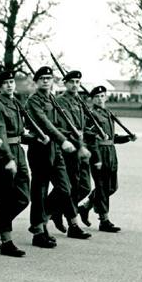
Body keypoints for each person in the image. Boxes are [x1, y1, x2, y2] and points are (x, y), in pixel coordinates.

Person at [25, 66, 91, 248]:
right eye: (42, 78)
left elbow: (58, 125)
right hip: (40, 149)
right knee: (39, 191)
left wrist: (72, 140)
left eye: (49, 78)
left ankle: (44, 219)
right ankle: (38, 231)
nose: (46, 81)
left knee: (66, 187)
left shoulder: (52, 99)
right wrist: (63, 140)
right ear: (36, 81)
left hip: (55, 149)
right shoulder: (33, 101)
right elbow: (45, 124)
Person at [78, 86, 137, 232]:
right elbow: (90, 137)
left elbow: (112, 138)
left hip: (111, 152)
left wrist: (127, 138)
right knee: (103, 186)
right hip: (99, 152)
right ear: (92, 99)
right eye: (97, 96)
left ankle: (85, 207)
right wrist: (96, 156)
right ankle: (104, 220)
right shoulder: (91, 115)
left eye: (102, 96)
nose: (100, 98)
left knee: (111, 187)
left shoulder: (108, 114)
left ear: (106, 97)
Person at [0, 70, 31, 257]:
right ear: (0, 86)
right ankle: (6, 241)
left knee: (23, 197)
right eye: (5, 83)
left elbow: (18, 132)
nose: (9, 85)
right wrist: (8, 158)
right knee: (4, 199)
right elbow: (0, 135)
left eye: (12, 81)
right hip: (4, 156)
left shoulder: (15, 103)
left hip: (18, 152)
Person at [51, 70, 92, 233]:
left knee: (83, 187)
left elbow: (81, 127)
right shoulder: (61, 102)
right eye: (72, 82)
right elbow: (63, 128)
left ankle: (57, 211)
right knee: (70, 186)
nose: (75, 85)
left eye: (77, 82)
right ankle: (73, 224)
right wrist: (78, 144)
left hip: (80, 149)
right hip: (69, 149)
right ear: (65, 83)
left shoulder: (79, 102)